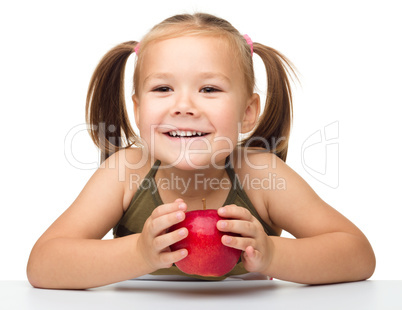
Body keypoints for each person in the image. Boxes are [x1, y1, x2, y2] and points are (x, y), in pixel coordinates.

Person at [27, 13, 375, 289]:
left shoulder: (260, 174)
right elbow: (43, 264)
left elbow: (358, 255)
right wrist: (138, 253)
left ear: (248, 111)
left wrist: (272, 254)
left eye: (209, 89)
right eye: (163, 88)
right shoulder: (126, 172)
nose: (184, 106)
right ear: (137, 108)